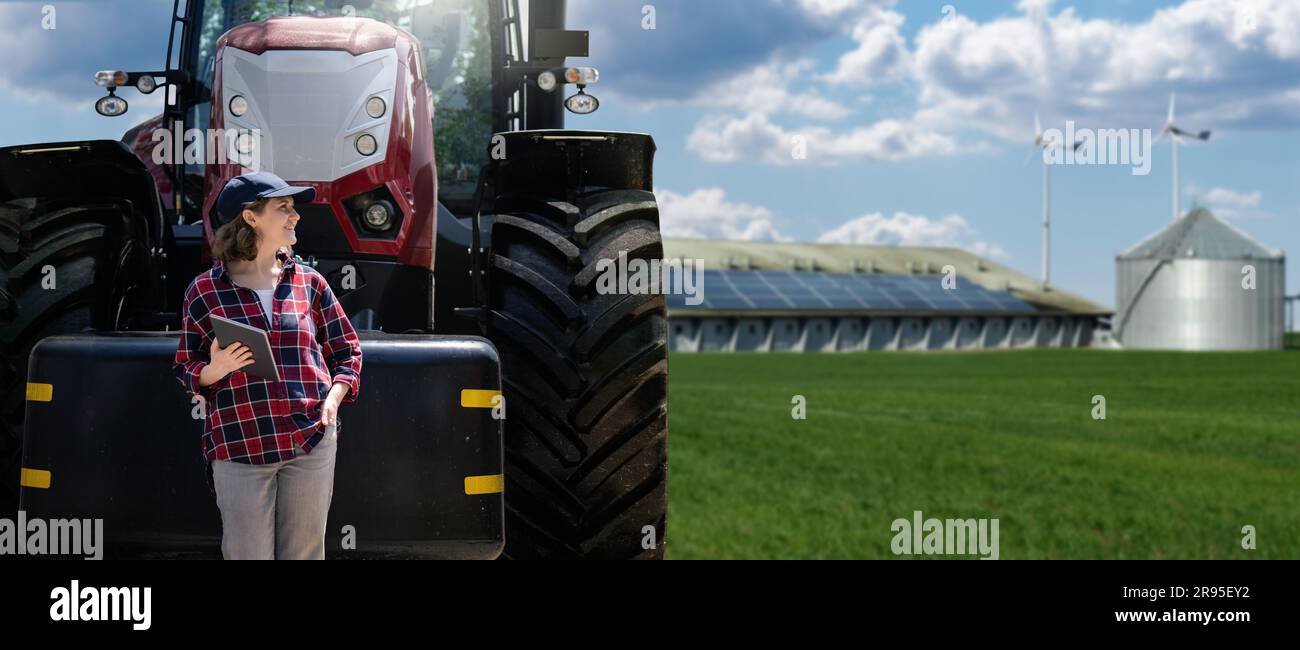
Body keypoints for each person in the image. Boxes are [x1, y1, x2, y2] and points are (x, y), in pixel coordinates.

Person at [171, 171, 363, 560]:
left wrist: (334, 399)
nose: (295, 216)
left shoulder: (309, 283)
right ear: (251, 217)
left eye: (293, 208)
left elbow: (347, 350)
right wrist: (215, 368)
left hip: (310, 438)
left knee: (305, 555)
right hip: (242, 443)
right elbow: (184, 367)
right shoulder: (205, 291)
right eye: (283, 207)